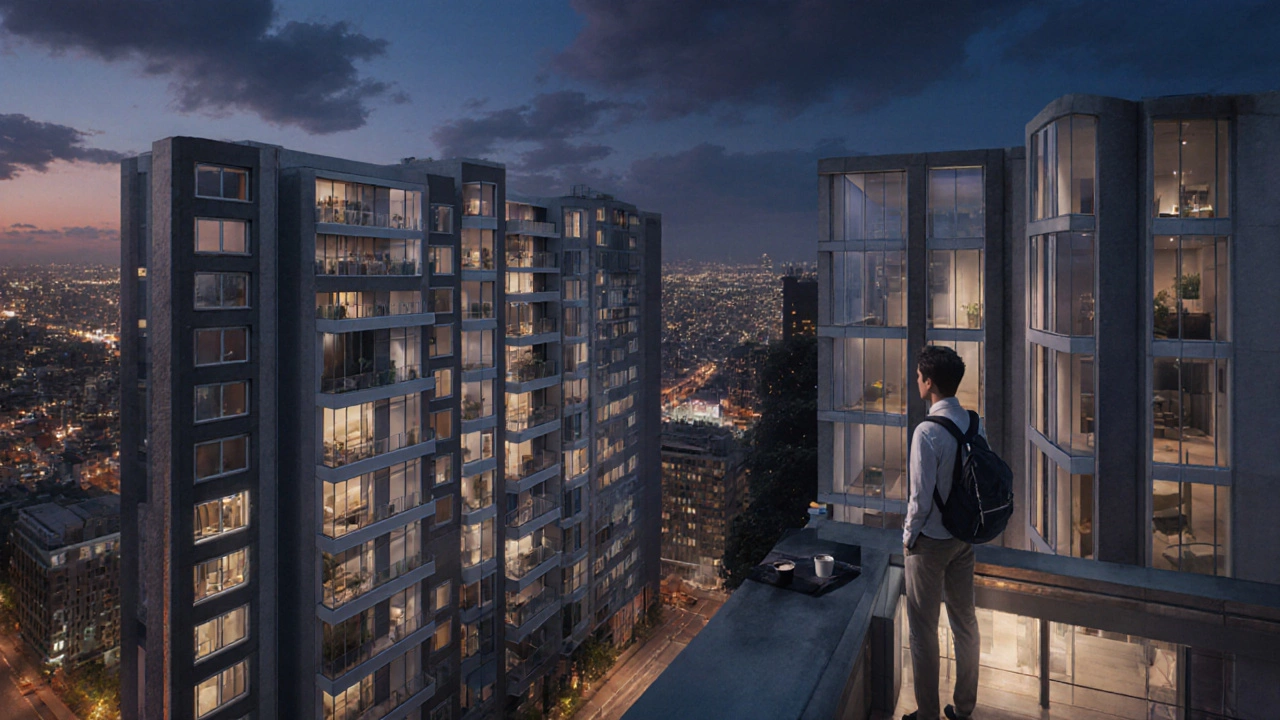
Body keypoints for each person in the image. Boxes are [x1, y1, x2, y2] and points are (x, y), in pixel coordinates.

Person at [902, 345, 980, 720]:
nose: (916, 381)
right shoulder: (972, 422)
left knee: (923, 632)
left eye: (919, 376)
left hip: (930, 543)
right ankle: (964, 708)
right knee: (965, 622)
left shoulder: (926, 432)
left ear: (929, 382)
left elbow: (918, 499)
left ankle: (927, 714)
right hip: (963, 539)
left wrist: (907, 538)